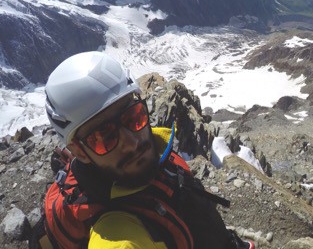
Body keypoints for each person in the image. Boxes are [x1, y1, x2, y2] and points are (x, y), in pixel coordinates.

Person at [30, 51, 253, 249]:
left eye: (133, 116)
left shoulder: (152, 155)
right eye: (103, 137)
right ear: (78, 152)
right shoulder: (120, 239)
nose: (132, 141)